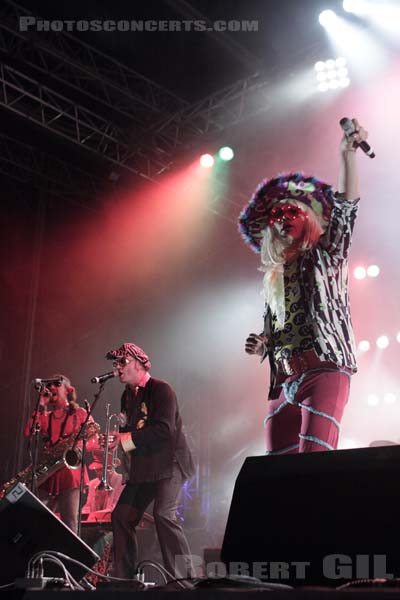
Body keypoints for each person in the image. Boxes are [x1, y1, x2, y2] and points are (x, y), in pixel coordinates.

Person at [239, 118, 368, 455]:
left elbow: (345, 209)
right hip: (283, 381)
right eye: (277, 214)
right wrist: (262, 343)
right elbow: (280, 329)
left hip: (324, 370)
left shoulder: (328, 255)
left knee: (313, 467)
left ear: (308, 219)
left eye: (292, 211)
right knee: (277, 474)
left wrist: (347, 156)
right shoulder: (273, 280)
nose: (283, 216)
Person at [104, 342, 195, 580]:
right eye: (116, 363)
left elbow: (164, 431)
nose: (117, 368)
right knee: (121, 517)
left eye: (122, 362)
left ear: (138, 363)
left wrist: (126, 438)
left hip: (171, 463)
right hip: (146, 467)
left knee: (163, 515)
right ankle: (124, 581)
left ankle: (184, 580)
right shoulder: (127, 396)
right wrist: (119, 443)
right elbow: (132, 435)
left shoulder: (161, 389)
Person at [24, 374, 98, 533]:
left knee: (70, 524)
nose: (51, 388)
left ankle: (73, 556)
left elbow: (94, 440)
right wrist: (41, 405)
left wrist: (75, 447)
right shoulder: (44, 417)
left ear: (69, 390)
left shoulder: (80, 414)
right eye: (49, 385)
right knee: (35, 521)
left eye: (57, 384)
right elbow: (28, 432)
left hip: (71, 475)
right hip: (47, 474)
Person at [82, 448, 124, 516]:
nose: (97, 473)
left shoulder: (121, 481)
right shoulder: (93, 484)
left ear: (109, 469)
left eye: (100, 469)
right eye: (96, 470)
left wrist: (94, 515)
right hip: (94, 520)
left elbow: (114, 507)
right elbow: (88, 506)